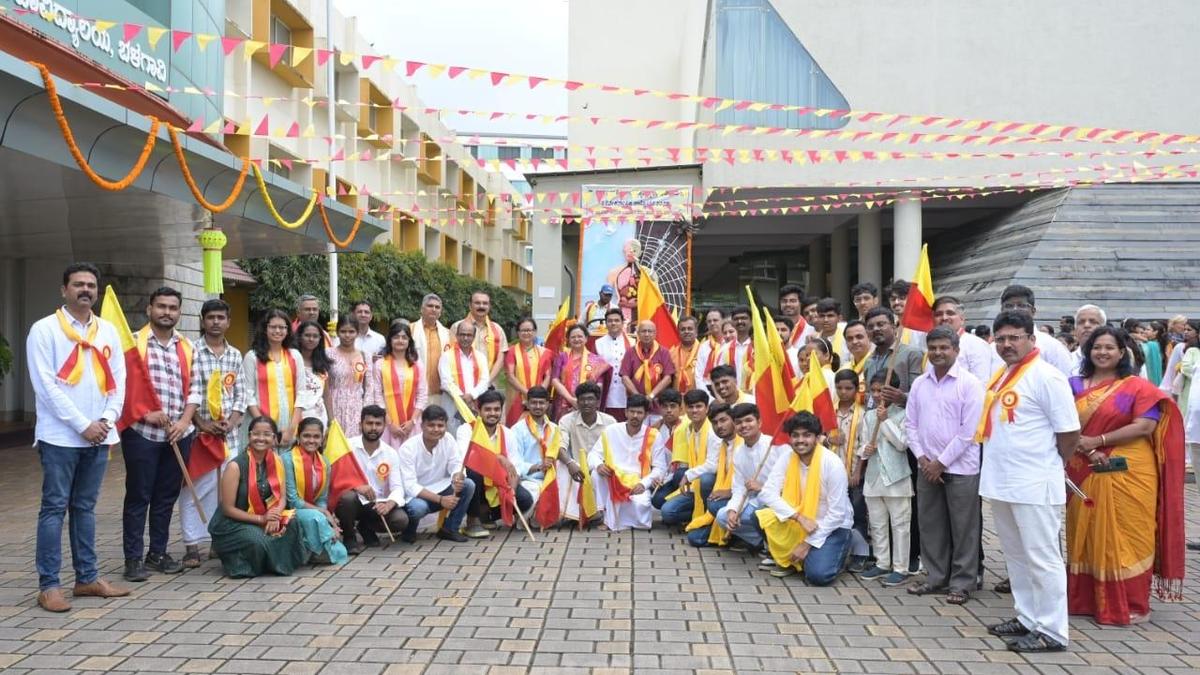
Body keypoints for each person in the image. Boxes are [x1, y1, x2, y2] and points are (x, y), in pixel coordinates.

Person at [27, 263, 129, 612]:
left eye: (90, 285)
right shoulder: (44, 330)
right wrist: (82, 423)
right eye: (77, 284)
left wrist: (106, 419)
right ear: (63, 290)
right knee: (54, 507)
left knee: (85, 508)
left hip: (99, 434)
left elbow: (119, 381)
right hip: (60, 437)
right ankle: (49, 585)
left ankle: (87, 577)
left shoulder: (108, 331)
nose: (85, 290)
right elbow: (46, 387)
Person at [979, 311, 1080, 653]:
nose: (1007, 344)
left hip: (1034, 481)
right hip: (1001, 480)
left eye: (1014, 337)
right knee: (1015, 555)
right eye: (1001, 338)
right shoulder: (1003, 375)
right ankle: (1026, 617)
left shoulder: (1046, 376)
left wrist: (1053, 464)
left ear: (1031, 340)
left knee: (1042, 557)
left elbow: (1069, 432)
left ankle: (1051, 630)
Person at [1069, 327, 1184, 624]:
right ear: (1088, 351)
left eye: (1110, 347)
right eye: (1097, 347)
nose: (1102, 352)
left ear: (1123, 353)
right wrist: (1086, 449)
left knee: (1130, 534)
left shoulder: (1137, 387)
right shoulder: (1074, 385)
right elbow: (1063, 423)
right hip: (1084, 469)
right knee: (1087, 531)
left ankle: (1131, 602)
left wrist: (1098, 442)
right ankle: (1086, 600)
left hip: (1130, 471)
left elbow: (1145, 426)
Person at [905, 326, 985, 605]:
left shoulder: (970, 383)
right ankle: (936, 578)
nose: (938, 352)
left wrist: (940, 462)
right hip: (926, 465)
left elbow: (969, 431)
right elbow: (910, 425)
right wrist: (923, 459)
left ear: (956, 350)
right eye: (934, 348)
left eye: (944, 348)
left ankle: (963, 582)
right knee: (931, 524)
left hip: (960, 468)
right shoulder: (919, 384)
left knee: (964, 527)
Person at [120, 287, 193, 582]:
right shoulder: (134, 345)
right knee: (139, 495)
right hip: (142, 432)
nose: (167, 312)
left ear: (179, 312)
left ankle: (158, 553)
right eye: (161, 306)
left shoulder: (187, 347)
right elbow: (118, 386)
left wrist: (185, 421)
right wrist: (142, 413)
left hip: (178, 433)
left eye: (173, 307)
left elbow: (196, 389)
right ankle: (133, 558)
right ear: (149, 309)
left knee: (166, 496)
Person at [177, 299, 246, 569]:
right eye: (211, 317)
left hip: (228, 437)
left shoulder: (235, 355)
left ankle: (218, 542)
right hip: (198, 437)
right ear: (202, 321)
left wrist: (232, 421)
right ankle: (192, 546)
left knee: (224, 492)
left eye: (221, 317)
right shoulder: (190, 351)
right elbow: (186, 392)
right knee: (194, 490)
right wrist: (202, 423)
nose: (216, 322)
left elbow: (241, 394)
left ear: (228, 322)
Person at [757, 412, 854, 584]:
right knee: (759, 516)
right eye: (795, 435)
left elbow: (837, 514)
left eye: (806, 435)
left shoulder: (832, 464)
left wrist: (807, 544)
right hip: (801, 522)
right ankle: (794, 558)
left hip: (831, 526)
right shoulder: (787, 457)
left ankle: (840, 553)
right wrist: (799, 517)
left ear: (817, 437)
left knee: (818, 575)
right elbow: (767, 493)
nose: (800, 440)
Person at [208, 416, 308, 578]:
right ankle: (244, 563)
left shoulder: (277, 461)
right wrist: (262, 519)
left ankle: (275, 563)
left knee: (293, 522)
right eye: (256, 434)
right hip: (234, 523)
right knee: (256, 540)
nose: (261, 438)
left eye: (267, 434)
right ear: (249, 436)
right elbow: (227, 509)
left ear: (274, 438)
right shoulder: (235, 466)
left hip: (267, 515)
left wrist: (275, 516)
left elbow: (282, 497)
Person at [856, 372, 914, 588]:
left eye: (883, 390)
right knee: (878, 523)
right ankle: (882, 562)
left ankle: (901, 568)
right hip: (873, 477)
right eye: (875, 390)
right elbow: (862, 445)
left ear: (893, 392)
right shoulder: (868, 415)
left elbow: (902, 444)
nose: (878, 395)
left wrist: (886, 421)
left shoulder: (905, 414)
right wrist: (865, 449)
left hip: (896, 477)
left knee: (900, 524)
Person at [396, 405, 475, 543]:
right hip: (416, 495)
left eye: (440, 425)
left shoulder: (448, 439)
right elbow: (409, 486)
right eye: (431, 425)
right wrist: (440, 500)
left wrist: (456, 476)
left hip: (442, 487)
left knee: (468, 485)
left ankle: (450, 529)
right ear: (422, 426)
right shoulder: (408, 448)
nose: (436, 429)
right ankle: (408, 530)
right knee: (418, 508)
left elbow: (456, 464)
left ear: (446, 426)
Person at [337, 406, 410, 554]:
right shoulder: (347, 447)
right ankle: (349, 537)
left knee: (400, 520)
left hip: (376, 504)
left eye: (378, 424)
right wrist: (356, 486)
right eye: (369, 423)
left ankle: (366, 527)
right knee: (347, 499)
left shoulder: (391, 453)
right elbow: (336, 478)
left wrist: (389, 504)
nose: (373, 428)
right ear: (360, 425)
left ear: (384, 426)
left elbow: (398, 487)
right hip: (353, 502)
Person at [588, 394, 666, 531]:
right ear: (626, 412)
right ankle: (606, 517)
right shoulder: (611, 430)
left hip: (638, 482)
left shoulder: (654, 435)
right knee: (596, 473)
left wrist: (644, 483)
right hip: (614, 480)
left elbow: (660, 468)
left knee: (640, 505)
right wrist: (599, 465)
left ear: (646, 414)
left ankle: (616, 520)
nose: (635, 416)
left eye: (639, 412)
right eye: (632, 411)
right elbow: (593, 454)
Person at [456, 390, 530, 531]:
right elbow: (465, 459)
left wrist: (511, 491)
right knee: (473, 471)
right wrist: (499, 458)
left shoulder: (507, 433)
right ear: (478, 410)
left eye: (497, 409)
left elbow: (515, 466)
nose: (492, 413)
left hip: (499, 483)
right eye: (488, 409)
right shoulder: (466, 430)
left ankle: (487, 515)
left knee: (525, 500)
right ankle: (474, 519)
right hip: (476, 482)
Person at [715, 403, 782, 557]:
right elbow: (739, 488)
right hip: (755, 501)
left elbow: (789, 482)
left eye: (748, 421)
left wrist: (762, 488)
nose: (743, 426)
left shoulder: (775, 446)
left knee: (757, 515)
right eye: (738, 422)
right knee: (723, 516)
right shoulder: (739, 453)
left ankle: (776, 546)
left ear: (759, 423)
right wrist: (733, 510)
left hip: (778, 501)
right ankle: (762, 542)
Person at [283, 418, 349, 565]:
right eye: (306, 436)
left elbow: (322, 498)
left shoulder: (324, 462)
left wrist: (327, 518)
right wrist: (324, 514)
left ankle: (317, 549)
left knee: (341, 553)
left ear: (322, 439)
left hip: (314, 510)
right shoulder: (287, 460)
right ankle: (315, 550)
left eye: (316, 437)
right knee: (316, 517)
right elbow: (293, 501)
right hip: (290, 511)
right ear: (298, 437)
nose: (311, 441)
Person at [243, 310, 305, 449]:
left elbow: (301, 394)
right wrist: (265, 429)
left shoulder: (295, 356)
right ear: (265, 329)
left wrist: (291, 430)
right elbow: (248, 395)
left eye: (282, 327)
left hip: (289, 424)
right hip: (259, 424)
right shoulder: (252, 357)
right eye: (273, 327)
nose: (278, 331)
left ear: (288, 330)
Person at [659, 389, 721, 529]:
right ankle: (697, 513)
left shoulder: (713, 431)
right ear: (685, 409)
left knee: (706, 478)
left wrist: (688, 475)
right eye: (690, 407)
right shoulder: (689, 429)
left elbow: (713, 465)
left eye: (698, 406)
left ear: (706, 408)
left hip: (714, 484)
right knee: (665, 510)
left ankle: (710, 516)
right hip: (694, 484)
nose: (694, 411)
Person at [829, 369, 870, 571]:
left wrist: (857, 473)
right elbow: (818, 437)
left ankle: (860, 554)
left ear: (856, 389)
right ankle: (838, 549)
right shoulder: (829, 411)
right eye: (839, 388)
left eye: (848, 388)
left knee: (857, 512)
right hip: (832, 474)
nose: (843, 392)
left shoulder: (862, 414)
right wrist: (829, 439)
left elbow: (865, 445)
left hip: (854, 472)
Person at [556, 382, 613, 526]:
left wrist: (601, 465)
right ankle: (570, 514)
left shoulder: (609, 422)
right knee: (560, 464)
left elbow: (615, 451)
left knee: (599, 473)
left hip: (600, 468)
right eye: (582, 399)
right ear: (577, 401)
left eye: (590, 399)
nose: (586, 403)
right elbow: (560, 447)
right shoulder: (567, 420)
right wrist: (569, 463)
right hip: (576, 469)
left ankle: (600, 513)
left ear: (598, 402)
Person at [684, 403, 739, 547]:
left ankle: (743, 538)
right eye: (714, 423)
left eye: (723, 420)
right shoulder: (723, 444)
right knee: (694, 538)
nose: (719, 426)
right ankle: (725, 530)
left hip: (744, 497)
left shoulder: (742, 443)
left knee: (713, 504)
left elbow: (752, 482)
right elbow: (714, 467)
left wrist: (730, 492)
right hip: (728, 496)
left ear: (733, 420)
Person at [509, 386, 562, 523]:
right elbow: (515, 463)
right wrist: (538, 467)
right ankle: (528, 519)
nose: (538, 406)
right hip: (528, 479)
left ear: (548, 404)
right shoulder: (517, 429)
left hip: (551, 476)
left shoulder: (554, 429)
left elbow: (560, 453)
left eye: (541, 403)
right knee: (533, 493)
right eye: (533, 402)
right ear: (527, 403)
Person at [370, 321, 428, 447]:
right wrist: (390, 423)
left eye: (404, 337)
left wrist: (412, 421)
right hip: (388, 421)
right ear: (390, 340)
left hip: (412, 421)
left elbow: (422, 395)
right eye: (396, 337)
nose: (400, 340)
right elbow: (377, 395)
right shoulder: (380, 364)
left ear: (409, 341)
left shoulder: (417, 365)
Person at [999, 285, 1074, 376]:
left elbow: (1066, 382)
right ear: (1001, 310)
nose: (1015, 310)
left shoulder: (1052, 347)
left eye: (1021, 305)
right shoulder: (994, 348)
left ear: (1033, 311)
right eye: (1009, 306)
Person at [549, 324, 611, 420]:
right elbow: (554, 380)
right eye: (573, 337)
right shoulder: (562, 356)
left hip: (587, 406)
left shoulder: (596, 360)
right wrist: (571, 400)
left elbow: (599, 385)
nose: (576, 339)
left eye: (580, 336)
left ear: (586, 338)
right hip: (563, 405)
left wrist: (583, 400)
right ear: (568, 340)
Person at [932, 296, 996, 385]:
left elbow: (981, 385)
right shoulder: (931, 348)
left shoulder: (976, 345)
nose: (944, 318)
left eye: (950, 313)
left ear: (962, 319)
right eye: (938, 314)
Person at [438, 320, 490, 430]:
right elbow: (446, 381)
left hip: (474, 403)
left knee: (474, 437)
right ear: (456, 335)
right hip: (453, 404)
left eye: (469, 335)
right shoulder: (446, 356)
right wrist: (462, 397)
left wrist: (471, 395)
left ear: (474, 337)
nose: (465, 338)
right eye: (462, 334)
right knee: (453, 436)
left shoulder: (480, 357)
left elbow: (485, 381)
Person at [450, 291, 509, 383]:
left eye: (485, 303)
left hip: (490, 385)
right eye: (477, 303)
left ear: (489, 306)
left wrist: (487, 382)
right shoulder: (457, 327)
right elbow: (451, 355)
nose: (481, 306)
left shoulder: (497, 329)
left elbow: (501, 359)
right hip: (464, 383)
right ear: (470, 305)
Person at [619, 320, 676, 415]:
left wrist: (651, 396)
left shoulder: (663, 352)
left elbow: (668, 378)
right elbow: (624, 377)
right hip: (636, 406)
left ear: (655, 333)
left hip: (658, 404)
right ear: (637, 333)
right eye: (643, 331)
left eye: (650, 331)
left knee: (657, 429)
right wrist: (638, 397)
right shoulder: (630, 352)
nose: (646, 334)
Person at [326, 316, 370, 438]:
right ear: (338, 332)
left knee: (354, 447)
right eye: (343, 331)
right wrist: (330, 416)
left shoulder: (364, 355)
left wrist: (366, 414)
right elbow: (325, 387)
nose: (347, 335)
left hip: (356, 408)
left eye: (351, 332)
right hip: (334, 405)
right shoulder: (328, 354)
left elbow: (368, 387)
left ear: (357, 333)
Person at [505, 317, 551, 426]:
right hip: (516, 398)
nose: (527, 333)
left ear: (535, 332)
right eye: (523, 330)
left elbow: (548, 376)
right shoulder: (511, 351)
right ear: (518, 332)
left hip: (539, 400)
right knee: (515, 429)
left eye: (530, 330)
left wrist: (538, 395)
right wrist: (529, 394)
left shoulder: (545, 352)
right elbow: (510, 376)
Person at [411, 293, 450, 414]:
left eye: (437, 307)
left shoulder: (448, 334)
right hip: (415, 392)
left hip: (440, 393)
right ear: (422, 309)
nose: (434, 309)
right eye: (430, 306)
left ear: (440, 312)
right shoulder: (409, 330)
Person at [594, 308, 632, 420]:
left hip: (625, 392)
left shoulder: (632, 342)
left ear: (622, 322)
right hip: (606, 392)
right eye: (610, 321)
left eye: (616, 320)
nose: (613, 323)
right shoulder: (598, 343)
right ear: (606, 323)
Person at [295, 320, 332, 426]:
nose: (311, 339)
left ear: (320, 339)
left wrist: (331, 419)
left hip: (319, 416)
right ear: (299, 336)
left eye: (315, 336)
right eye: (307, 335)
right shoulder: (292, 360)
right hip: (298, 417)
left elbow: (326, 394)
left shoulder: (322, 363)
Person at [717, 306, 754, 392]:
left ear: (751, 321)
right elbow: (719, 375)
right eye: (736, 319)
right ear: (732, 323)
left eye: (744, 318)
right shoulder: (724, 349)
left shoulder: (759, 347)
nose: (740, 321)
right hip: (731, 397)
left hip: (754, 397)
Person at [694, 308, 728, 392]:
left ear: (723, 321)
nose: (712, 323)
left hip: (728, 390)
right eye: (709, 321)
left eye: (715, 320)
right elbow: (698, 375)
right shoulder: (704, 346)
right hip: (707, 391)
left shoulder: (730, 344)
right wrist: (708, 397)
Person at [888, 280, 927, 351]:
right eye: (893, 299)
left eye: (902, 298)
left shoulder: (920, 328)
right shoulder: (891, 328)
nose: (896, 302)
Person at [1071, 304, 1108, 376]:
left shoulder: (1111, 362)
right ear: (1075, 330)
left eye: (1093, 322)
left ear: (1104, 328)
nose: (1086, 325)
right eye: (1081, 322)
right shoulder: (1067, 361)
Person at [814, 298, 850, 365]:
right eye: (822, 316)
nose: (826, 320)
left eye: (830, 316)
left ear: (839, 318)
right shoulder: (814, 341)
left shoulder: (847, 338)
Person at [670, 315, 701, 394]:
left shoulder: (704, 351)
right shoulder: (671, 353)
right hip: (677, 400)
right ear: (678, 332)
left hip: (698, 401)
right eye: (683, 329)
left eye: (690, 329)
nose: (686, 331)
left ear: (696, 332)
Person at [778, 284, 814, 349]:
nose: (788, 304)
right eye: (784, 301)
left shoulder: (812, 331)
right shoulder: (773, 329)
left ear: (800, 303)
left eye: (792, 301)